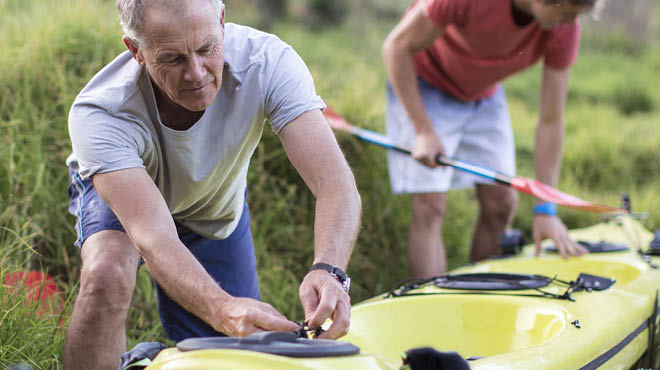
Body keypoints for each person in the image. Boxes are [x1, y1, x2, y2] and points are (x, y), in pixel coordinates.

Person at [62, 0, 361, 369]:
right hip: (129, 197)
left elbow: (334, 181)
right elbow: (153, 237)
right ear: (136, 51)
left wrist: (329, 269)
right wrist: (220, 308)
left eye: (206, 49)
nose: (196, 73)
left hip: (213, 202)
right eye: (172, 59)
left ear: (222, 22)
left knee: (233, 349)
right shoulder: (101, 112)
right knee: (107, 274)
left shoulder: (268, 62)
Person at [382, 0, 595, 279]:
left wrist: (546, 208)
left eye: (575, 16)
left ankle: (480, 293)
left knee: (501, 204)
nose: (568, 22)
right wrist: (424, 130)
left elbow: (551, 120)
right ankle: (433, 309)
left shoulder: (564, 30)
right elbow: (395, 47)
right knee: (430, 205)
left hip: (482, 94)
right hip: (424, 83)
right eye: (566, 12)